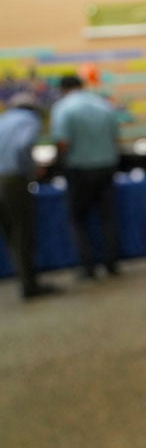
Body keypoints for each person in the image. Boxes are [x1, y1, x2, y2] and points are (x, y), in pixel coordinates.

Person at [51, 75, 121, 280]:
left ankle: (88, 267)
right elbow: (116, 137)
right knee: (108, 217)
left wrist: (57, 164)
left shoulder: (63, 108)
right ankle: (112, 263)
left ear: (63, 89)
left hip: (79, 170)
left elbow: (63, 142)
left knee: (78, 219)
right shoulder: (104, 105)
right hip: (107, 166)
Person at [0, 93, 62, 300]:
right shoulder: (29, 120)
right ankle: (30, 285)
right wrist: (32, 170)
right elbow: (23, 145)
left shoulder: (4, 120)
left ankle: (24, 280)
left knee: (10, 234)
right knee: (23, 232)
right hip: (13, 181)